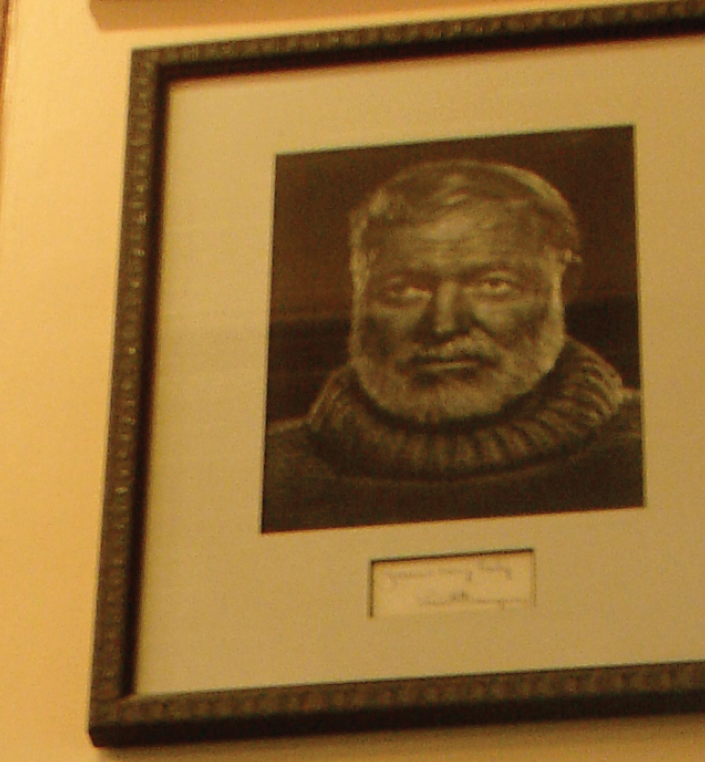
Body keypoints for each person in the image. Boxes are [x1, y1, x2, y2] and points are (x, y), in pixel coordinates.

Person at [260, 153, 645, 533]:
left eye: (493, 285)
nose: (444, 324)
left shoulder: (649, 452)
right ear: (356, 294)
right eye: (406, 289)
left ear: (565, 286)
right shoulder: (271, 476)